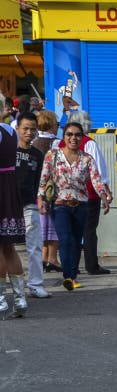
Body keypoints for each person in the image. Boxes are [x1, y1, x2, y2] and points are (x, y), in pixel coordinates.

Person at [38, 122, 109, 291]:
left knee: (77, 241)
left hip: (81, 205)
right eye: (69, 134)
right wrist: (41, 198)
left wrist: (104, 196)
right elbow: (44, 178)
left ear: (82, 137)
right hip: (59, 205)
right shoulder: (52, 155)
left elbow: (96, 180)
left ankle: (72, 275)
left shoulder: (87, 159)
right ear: (64, 136)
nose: (73, 138)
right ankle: (67, 276)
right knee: (65, 240)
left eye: (77, 135)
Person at [63, 111, 112, 276]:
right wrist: (106, 191)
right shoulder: (90, 144)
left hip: (66, 195)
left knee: (71, 231)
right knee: (89, 231)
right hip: (89, 194)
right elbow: (99, 170)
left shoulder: (60, 145)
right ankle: (92, 266)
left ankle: (72, 266)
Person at [15, 112, 50, 299]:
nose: (29, 132)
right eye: (25, 128)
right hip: (8, 206)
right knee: (6, 248)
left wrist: (40, 201)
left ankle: (35, 284)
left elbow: (39, 182)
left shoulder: (37, 154)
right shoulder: (7, 151)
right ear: (17, 129)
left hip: (29, 205)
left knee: (35, 246)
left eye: (33, 129)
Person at [0, 96, 28, 318]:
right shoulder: (11, 131)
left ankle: (0, 301)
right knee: (9, 247)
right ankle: (20, 299)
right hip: (9, 189)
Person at [32, 110, 62, 274]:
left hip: (36, 189)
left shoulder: (34, 142)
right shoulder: (57, 144)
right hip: (53, 189)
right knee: (54, 225)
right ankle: (53, 258)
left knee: (42, 225)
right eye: (57, 124)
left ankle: (44, 257)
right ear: (51, 125)